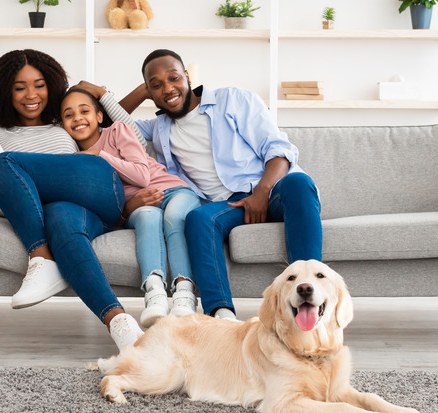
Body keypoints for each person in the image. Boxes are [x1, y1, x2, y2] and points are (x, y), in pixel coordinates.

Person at [0, 49, 145, 351]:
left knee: (2, 164)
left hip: (97, 189)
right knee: (62, 225)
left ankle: (40, 257)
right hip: (67, 212)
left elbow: (135, 141)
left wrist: (103, 94)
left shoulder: (63, 120)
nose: (31, 95)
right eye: (19, 86)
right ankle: (121, 325)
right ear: (4, 90)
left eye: (39, 84)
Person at [119, 49, 323, 322]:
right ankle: (221, 314)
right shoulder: (157, 127)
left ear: (187, 77)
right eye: (156, 85)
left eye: (173, 78)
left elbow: (279, 150)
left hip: (271, 190)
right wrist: (142, 91)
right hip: (226, 206)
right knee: (198, 218)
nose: (168, 89)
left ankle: (311, 298)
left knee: (299, 182)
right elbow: (106, 122)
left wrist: (261, 193)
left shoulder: (234, 99)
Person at [59, 89, 201, 328]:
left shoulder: (117, 131)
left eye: (84, 111)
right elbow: (103, 207)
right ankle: (154, 293)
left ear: (100, 117)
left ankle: (184, 295)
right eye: (68, 115)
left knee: (174, 218)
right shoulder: (75, 158)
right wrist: (128, 207)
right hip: (139, 205)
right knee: (147, 218)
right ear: (62, 125)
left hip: (173, 191)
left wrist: (100, 155)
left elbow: (142, 175)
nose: (78, 118)